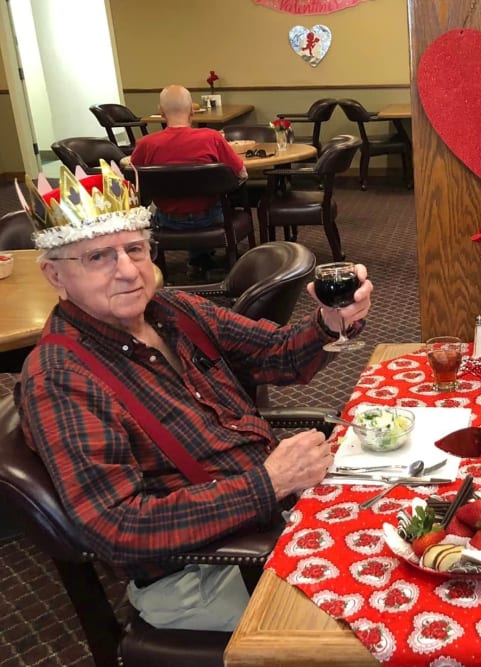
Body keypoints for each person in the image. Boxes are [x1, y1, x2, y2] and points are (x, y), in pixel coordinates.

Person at [13, 161, 372, 632]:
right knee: (371, 624)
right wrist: (269, 483)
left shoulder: (173, 310)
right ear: (55, 276)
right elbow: (118, 530)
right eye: (98, 257)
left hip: (274, 511)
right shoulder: (60, 378)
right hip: (203, 569)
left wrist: (330, 321)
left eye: (135, 249)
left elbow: (280, 355)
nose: (128, 271)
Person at [129, 84, 248, 276]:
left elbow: (133, 181)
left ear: (161, 113)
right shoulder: (212, 138)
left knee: (155, 208)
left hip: (167, 222)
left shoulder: (146, 144)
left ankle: (195, 260)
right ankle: (202, 258)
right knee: (220, 200)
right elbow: (242, 174)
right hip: (211, 219)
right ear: (192, 111)